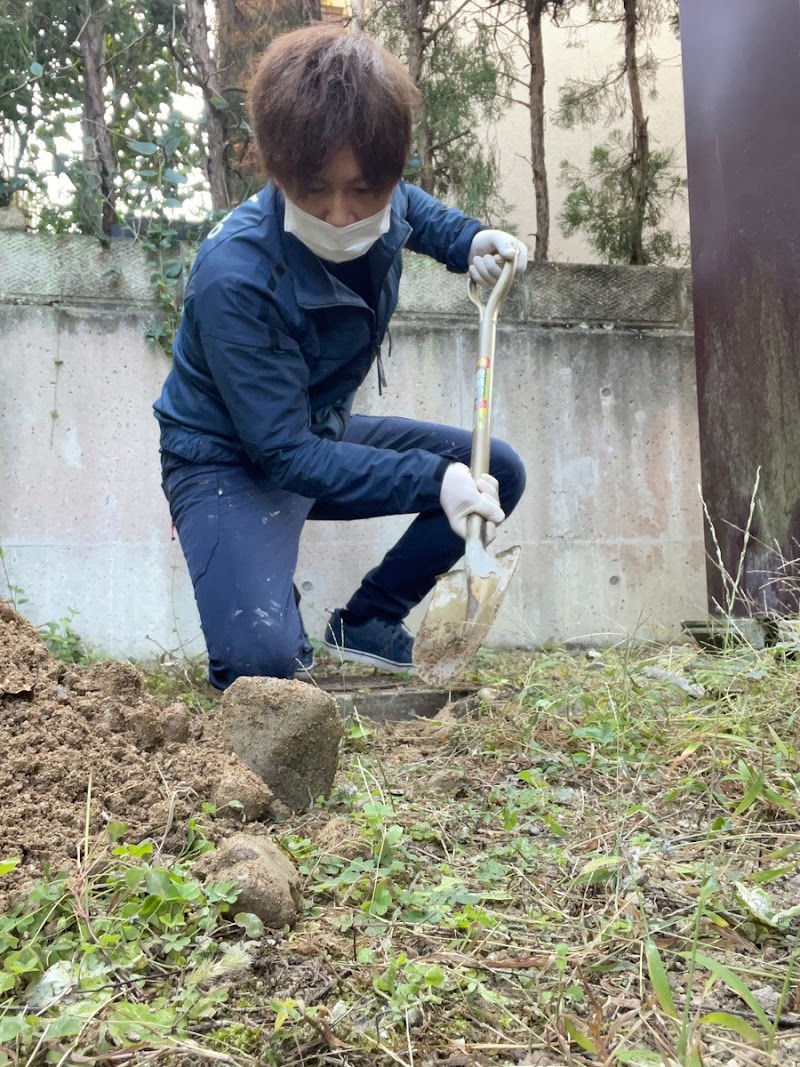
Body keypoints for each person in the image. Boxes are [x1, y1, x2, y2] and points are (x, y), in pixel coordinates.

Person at [153, 23, 527, 691]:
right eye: (315, 189)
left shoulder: (385, 203)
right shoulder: (234, 276)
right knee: (263, 666)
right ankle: (265, 604)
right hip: (225, 457)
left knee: (495, 467)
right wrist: (431, 481)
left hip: (311, 429)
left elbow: (411, 208)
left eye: (362, 189)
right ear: (278, 167)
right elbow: (285, 456)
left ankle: (368, 619)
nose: (339, 213)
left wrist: (470, 240)